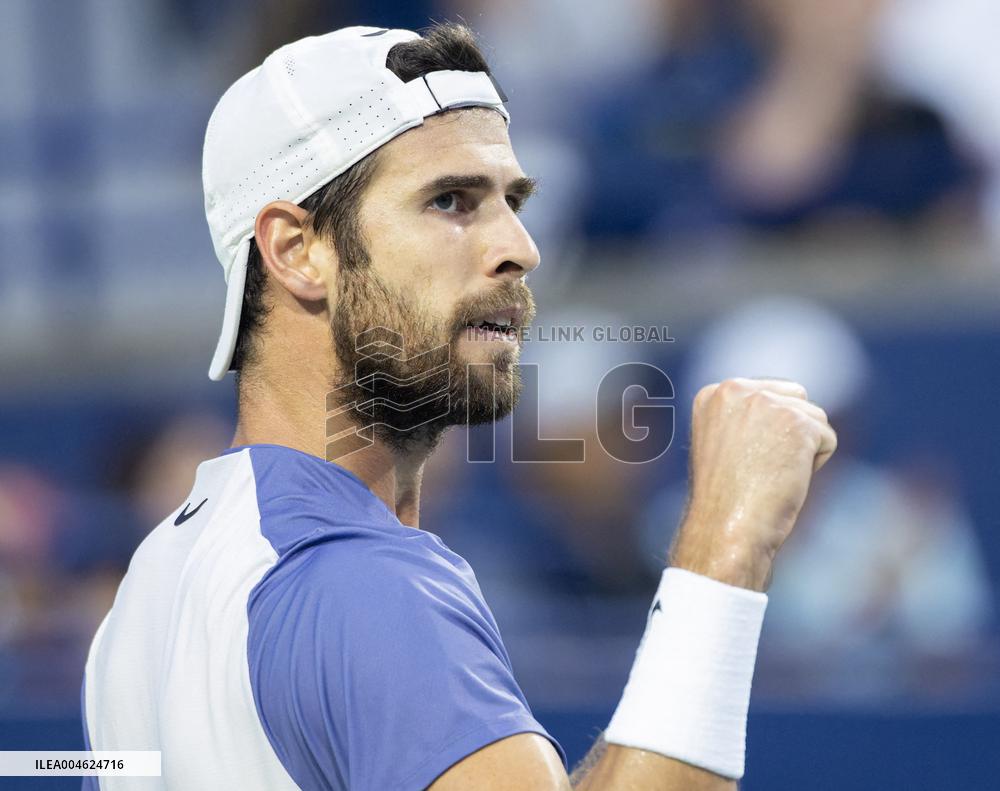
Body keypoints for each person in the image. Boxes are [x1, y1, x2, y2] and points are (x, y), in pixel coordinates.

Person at [81, 22, 837, 790]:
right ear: (295, 249)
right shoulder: (369, 589)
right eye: (451, 200)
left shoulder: (144, 596)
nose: (520, 246)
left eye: (513, 200)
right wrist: (727, 545)